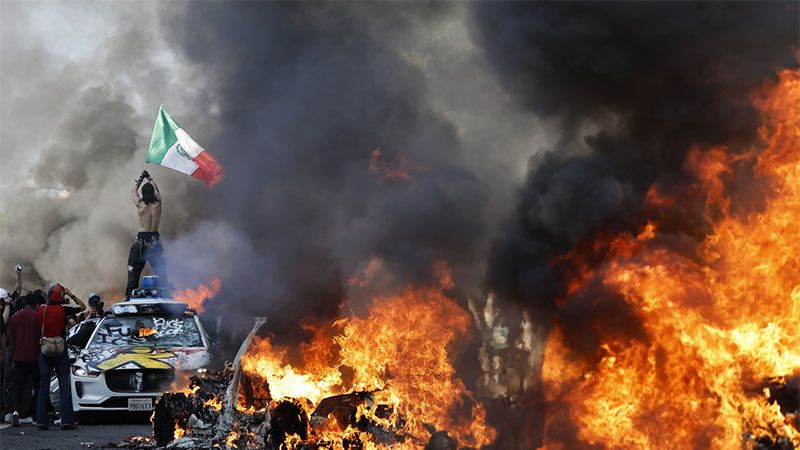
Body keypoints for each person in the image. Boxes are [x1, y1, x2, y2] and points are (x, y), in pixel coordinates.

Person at [37, 283, 86, 430]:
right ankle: (67, 421)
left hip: (45, 350)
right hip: (60, 350)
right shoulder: (64, 309)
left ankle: (42, 421)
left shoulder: (41, 309)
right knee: (64, 386)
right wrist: (71, 295)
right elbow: (82, 307)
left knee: (43, 386)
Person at [125, 170, 168, 298]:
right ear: (153, 193)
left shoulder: (140, 205)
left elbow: (133, 190)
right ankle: (167, 295)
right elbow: (157, 190)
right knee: (161, 272)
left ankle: (129, 298)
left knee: (133, 273)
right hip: (154, 242)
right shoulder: (158, 203)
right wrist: (150, 178)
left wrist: (141, 178)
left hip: (141, 243)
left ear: (143, 193)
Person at [6, 294, 41, 427]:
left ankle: (16, 412)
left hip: (19, 357)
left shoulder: (15, 317)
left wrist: (13, 357)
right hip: (35, 357)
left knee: (18, 386)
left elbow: (11, 339)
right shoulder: (38, 316)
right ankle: (37, 415)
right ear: (35, 303)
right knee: (37, 386)